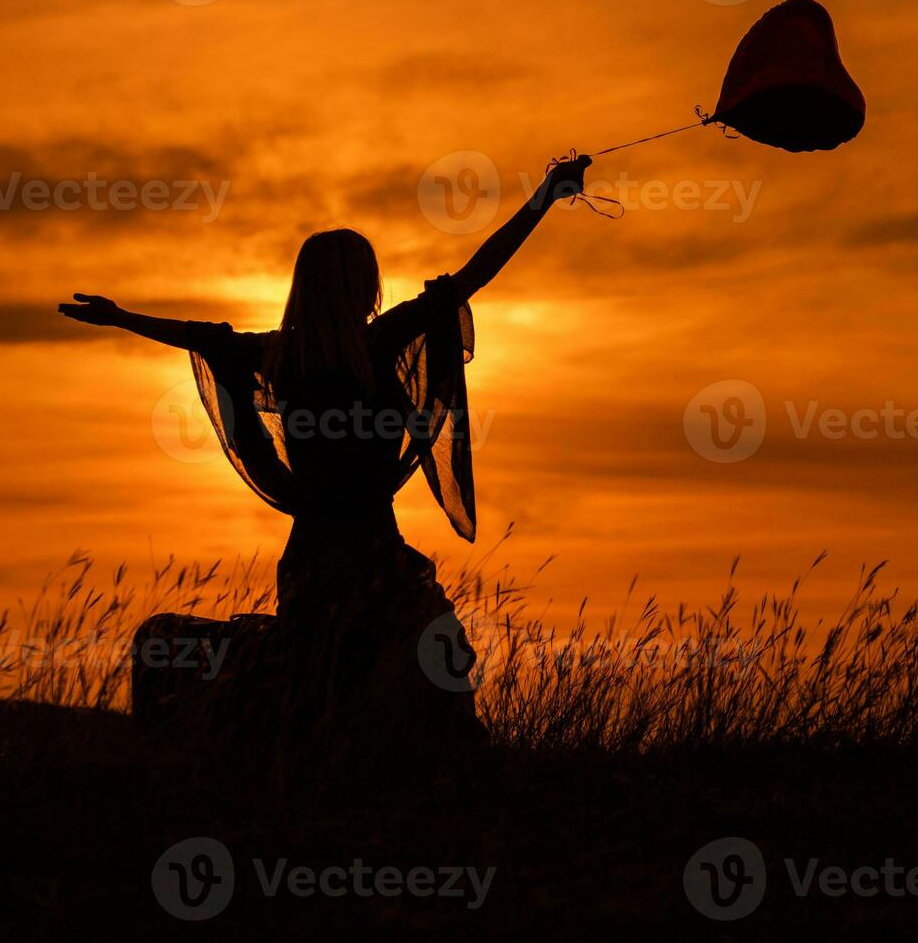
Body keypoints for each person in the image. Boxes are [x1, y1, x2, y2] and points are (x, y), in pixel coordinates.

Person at [58, 154, 592, 757]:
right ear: (355, 285)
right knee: (404, 666)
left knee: (324, 675)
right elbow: (475, 274)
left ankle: (305, 769)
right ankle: (420, 776)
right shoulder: (374, 344)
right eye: (367, 275)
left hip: (315, 552)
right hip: (368, 549)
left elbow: (199, 335)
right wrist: (545, 197)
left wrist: (123, 318)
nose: (374, 285)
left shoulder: (278, 358)